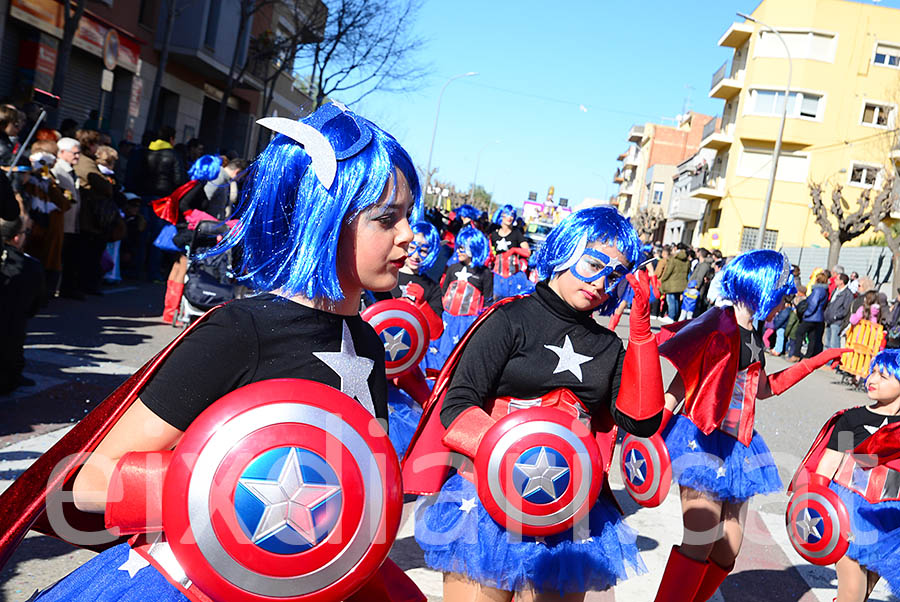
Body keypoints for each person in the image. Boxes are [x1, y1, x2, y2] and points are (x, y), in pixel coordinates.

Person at [20, 102, 423, 601]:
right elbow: (90, 480)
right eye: (387, 219)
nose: (410, 235)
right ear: (325, 218)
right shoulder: (239, 332)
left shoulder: (366, 343)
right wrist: (231, 492)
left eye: (407, 216)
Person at [408, 206, 664, 600]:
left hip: (567, 508)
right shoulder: (508, 319)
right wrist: (512, 459)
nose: (600, 283)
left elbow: (641, 421)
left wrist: (643, 335)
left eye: (614, 275)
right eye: (592, 263)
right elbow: (458, 405)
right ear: (564, 251)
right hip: (486, 500)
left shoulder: (609, 347)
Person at [652, 250, 848, 602]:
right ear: (762, 288)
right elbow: (682, 383)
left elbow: (762, 389)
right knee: (700, 539)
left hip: (739, 446)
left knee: (729, 547)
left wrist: (814, 362)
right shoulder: (717, 323)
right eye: (781, 295)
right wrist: (653, 434)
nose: (784, 304)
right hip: (703, 437)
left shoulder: (753, 334)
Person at [794, 349, 900, 602]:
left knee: (864, 593)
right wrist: (813, 506)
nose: (872, 379)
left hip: (890, 517)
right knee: (851, 593)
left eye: (883, 376)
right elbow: (829, 462)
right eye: (872, 372)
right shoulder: (852, 419)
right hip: (849, 511)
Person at [422, 225, 493, 373]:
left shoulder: (484, 273)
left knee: (459, 356)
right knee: (439, 350)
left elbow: (488, 300)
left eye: (462, 248)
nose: (458, 251)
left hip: (468, 321)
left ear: (473, 248)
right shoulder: (453, 267)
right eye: (458, 247)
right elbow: (443, 291)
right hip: (447, 318)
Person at [0, 216, 45, 393]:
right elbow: (38, 300)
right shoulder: (30, 265)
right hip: (14, 322)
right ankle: (11, 379)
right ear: (16, 237)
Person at [22, 140, 70, 297]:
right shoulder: (28, 181)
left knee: (47, 263)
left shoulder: (51, 181)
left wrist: (50, 183)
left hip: (50, 231)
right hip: (33, 229)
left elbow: (64, 204)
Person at [73, 129, 115, 295]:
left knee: (90, 251)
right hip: (89, 213)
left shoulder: (87, 161)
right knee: (87, 252)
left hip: (90, 212)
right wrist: (107, 184)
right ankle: (84, 285)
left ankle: (86, 284)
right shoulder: (86, 162)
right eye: (97, 143)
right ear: (90, 144)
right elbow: (102, 185)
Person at [53, 137, 83, 299]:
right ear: (62, 153)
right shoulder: (58, 170)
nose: (77, 156)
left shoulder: (71, 171)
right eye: (74, 153)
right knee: (59, 256)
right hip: (62, 222)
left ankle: (66, 289)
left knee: (70, 257)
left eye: (79, 153)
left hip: (72, 223)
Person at [489, 204, 534, 299]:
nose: (510, 217)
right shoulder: (493, 235)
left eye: (512, 214)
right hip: (497, 277)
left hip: (513, 277)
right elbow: (490, 255)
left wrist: (514, 250)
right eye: (507, 214)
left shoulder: (516, 233)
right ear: (501, 215)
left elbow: (527, 252)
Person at [789, 271, 829, 361]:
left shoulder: (818, 290)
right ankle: (808, 356)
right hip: (818, 317)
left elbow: (813, 303)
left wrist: (806, 313)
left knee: (799, 333)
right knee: (812, 337)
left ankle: (796, 354)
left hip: (811, 317)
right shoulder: (825, 291)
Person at [659, 244, 689, 323]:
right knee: (676, 300)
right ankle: (674, 316)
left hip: (672, 282)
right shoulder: (687, 260)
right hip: (682, 283)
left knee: (671, 300)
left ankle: (671, 316)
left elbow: (668, 271)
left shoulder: (674, 259)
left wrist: (663, 279)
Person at [825, 273, 853, 350]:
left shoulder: (847, 294)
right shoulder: (835, 291)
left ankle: (833, 361)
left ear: (841, 281)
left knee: (833, 343)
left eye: (837, 279)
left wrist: (836, 316)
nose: (835, 281)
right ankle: (826, 360)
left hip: (837, 321)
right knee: (827, 343)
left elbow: (846, 309)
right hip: (829, 319)